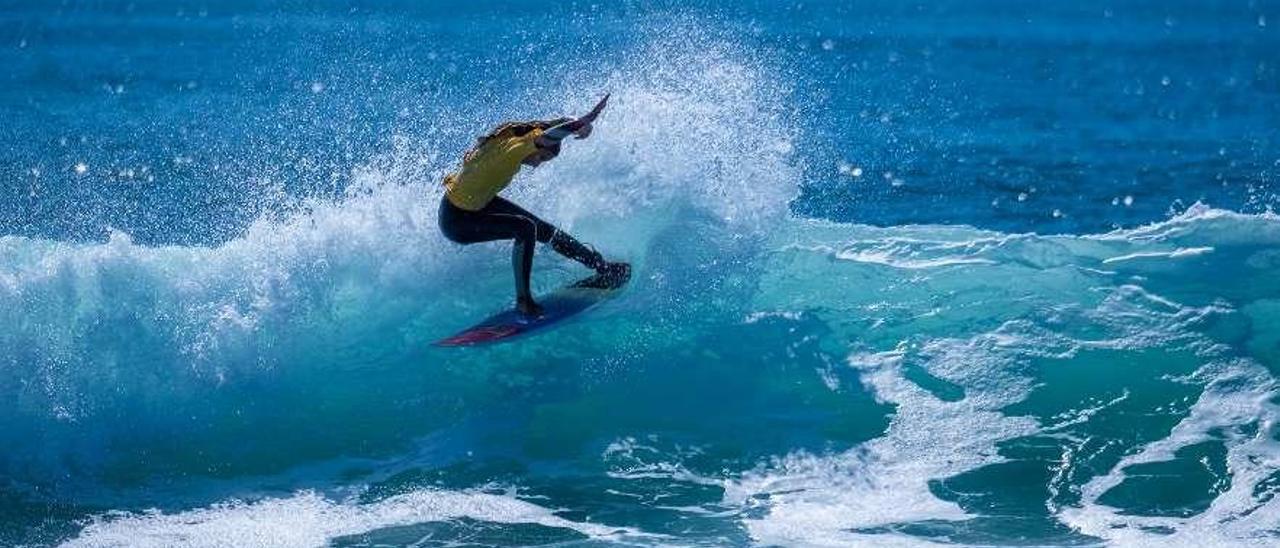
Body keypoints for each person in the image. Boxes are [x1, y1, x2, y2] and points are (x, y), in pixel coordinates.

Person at [438, 94, 629, 317]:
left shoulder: (518, 138)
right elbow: (549, 136)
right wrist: (580, 123)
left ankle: (602, 268)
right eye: (542, 157)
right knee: (526, 228)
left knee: (544, 229)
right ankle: (524, 302)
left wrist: (579, 120)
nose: (537, 164)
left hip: (478, 204)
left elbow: (552, 125)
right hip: (458, 220)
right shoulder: (515, 149)